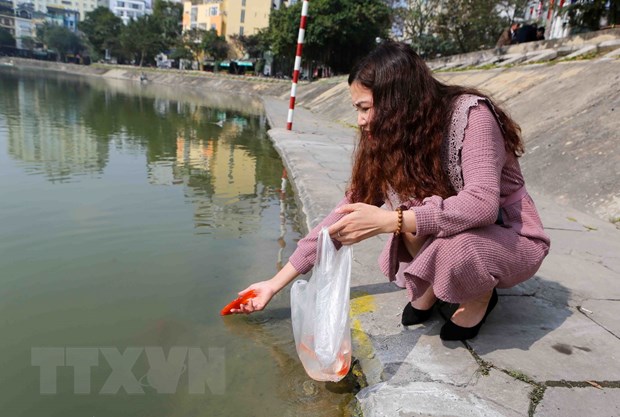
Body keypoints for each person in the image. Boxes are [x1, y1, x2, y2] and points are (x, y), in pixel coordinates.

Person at [231, 41, 550, 341]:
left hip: (510, 235)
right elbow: (344, 213)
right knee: (413, 211)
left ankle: (480, 298)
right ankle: (433, 286)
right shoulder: (396, 137)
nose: (360, 120)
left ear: (398, 100)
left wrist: (390, 221)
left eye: (365, 108)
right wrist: (274, 284)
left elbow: (480, 204)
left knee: (447, 242)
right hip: (456, 231)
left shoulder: (471, 116)